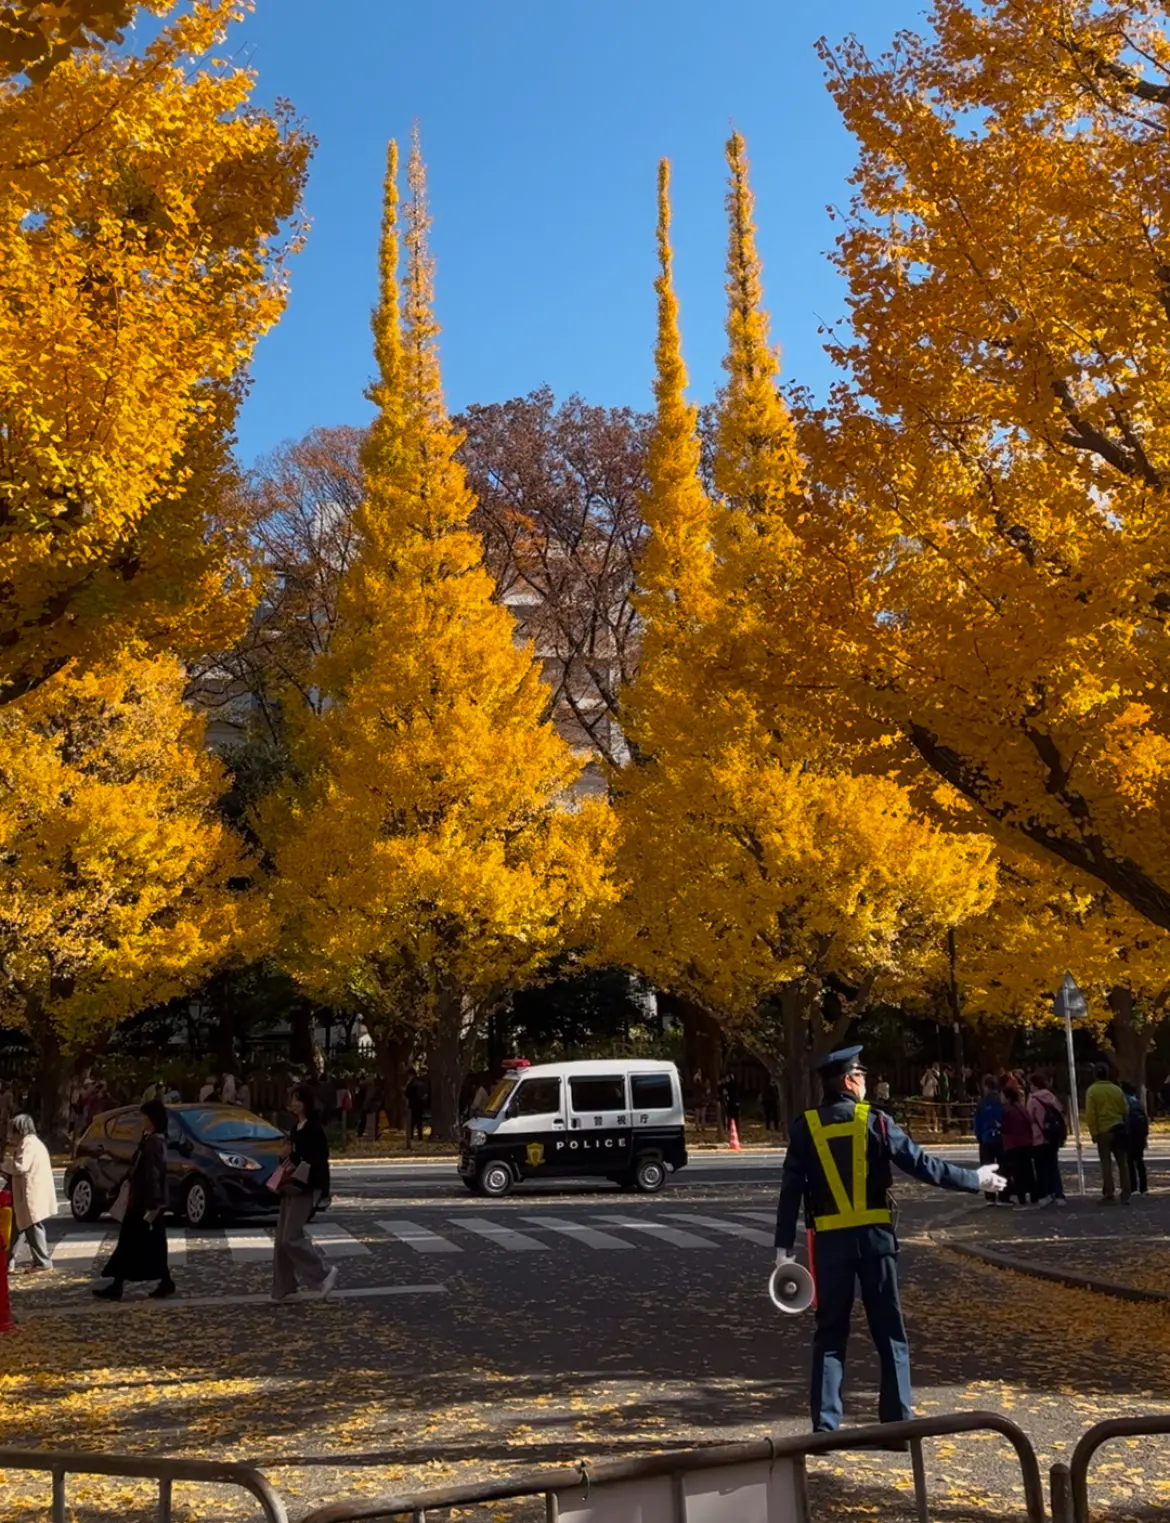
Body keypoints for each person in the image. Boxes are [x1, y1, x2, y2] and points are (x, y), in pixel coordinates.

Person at [774, 1045, 1005, 1432]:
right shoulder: (876, 1122)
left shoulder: (804, 1128)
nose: (865, 1082)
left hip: (830, 1245)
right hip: (876, 1242)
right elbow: (922, 1164)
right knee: (890, 1333)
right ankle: (898, 1425)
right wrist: (974, 1180)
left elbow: (790, 1191)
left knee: (830, 1335)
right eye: (862, 1075)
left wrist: (783, 1249)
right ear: (850, 1081)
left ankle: (825, 1428)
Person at [93, 1100, 174, 1300]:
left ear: (152, 1119)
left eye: (144, 1116)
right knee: (148, 1244)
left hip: (145, 1203)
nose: (141, 1120)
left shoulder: (154, 1142)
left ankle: (119, 1285)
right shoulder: (151, 1140)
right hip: (144, 1201)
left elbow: (153, 1174)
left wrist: (153, 1204)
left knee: (131, 1243)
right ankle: (163, 1281)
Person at [272, 1085, 337, 1304]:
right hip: (290, 1186)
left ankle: (323, 1274)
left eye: (297, 1099)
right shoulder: (295, 1128)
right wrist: (284, 1156)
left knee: (291, 1237)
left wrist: (323, 1191)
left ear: (306, 1103)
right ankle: (286, 1288)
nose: (293, 1103)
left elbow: (317, 1160)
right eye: (292, 1099)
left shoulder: (313, 1130)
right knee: (281, 1240)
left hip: (305, 1187)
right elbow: (292, 1158)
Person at [2, 1114, 57, 1272]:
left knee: (31, 1225)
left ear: (20, 1130)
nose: (11, 1135)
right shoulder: (32, 1143)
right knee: (17, 1226)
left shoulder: (28, 1144)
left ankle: (42, 1262)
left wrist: (4, 1165)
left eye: (13, 1131)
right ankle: (7, 1261)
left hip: (29, 1192)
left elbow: (20, 1166)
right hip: (27, 1191)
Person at [1084, 1063, 1132, 1204]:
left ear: (1095, 1075)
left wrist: (1093, 1132)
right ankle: (1126, 1192)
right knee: (1123, 1163)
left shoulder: (1092, 1091)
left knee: (1106, 1164)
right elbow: (1125, 1109)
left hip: (1103, 1131)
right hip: (1118, 1128)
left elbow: (1091, 1114)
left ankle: (1109, 1193)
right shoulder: (1116, 1090)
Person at [1026, 1073, 1066, 1207]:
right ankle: (1058, 1194)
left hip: (1039, 1137)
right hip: (1052, 1136)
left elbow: (1029, 1118)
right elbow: (1060, 1113)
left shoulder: (1033, 1099)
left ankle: (1046, 1194)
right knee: (1053, 1166)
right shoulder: (1051, 1097)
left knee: (1041, 1168)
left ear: (1034, 1085)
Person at [1000, 1084, 1035, 1206]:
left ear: (1007, 1097)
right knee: (1028, 1170)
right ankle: (1034, 1195)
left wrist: (999, 1127)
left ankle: (1021, 1198)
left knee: (1017, 1172)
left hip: (1013, 1144)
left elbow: (1006, 1127)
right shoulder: (1021, 1108)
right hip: (1026, 1142)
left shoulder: (1007, 1110)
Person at [973, 1076, 1004, 1206]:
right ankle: (1003, 1195)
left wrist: (978, 1135)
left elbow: (977, 1121)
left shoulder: (982, 1103)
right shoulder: (1001, 1101)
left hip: (986, 1138)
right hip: (1001, 1137)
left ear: (986, 1086)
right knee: (1002, 1167)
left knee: (987, 1167)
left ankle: (990, 1197)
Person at [1121, 1081, 1149, 1196]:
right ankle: (1144, 1187)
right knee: (1139, 1161)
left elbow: (1126, 1119)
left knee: (1130, 1162)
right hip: (1140, 1134)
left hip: (1130, 1134)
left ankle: (1133, 1187)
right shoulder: (1137, 1102)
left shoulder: (1125, 1101)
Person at [403, 1068, 427, 1149]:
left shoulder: (412, 1084)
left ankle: (411, 1137)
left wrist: (405, 1089)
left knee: (412, 1122)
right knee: (419, 1122)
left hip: (413, 1105)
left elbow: (408, 1094)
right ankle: (420, 1136)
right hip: (420, 1105)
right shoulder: (421, 1083)